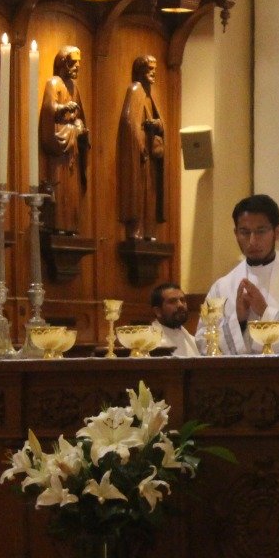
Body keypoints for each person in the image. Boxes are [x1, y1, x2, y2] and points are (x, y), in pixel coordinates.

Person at [197, 194, 279, 354]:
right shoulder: (221, 287)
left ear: (277, 232)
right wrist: (238, 321)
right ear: (235, 233)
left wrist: (267, 313)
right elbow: (202, 343)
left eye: (261, 231)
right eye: (244, 232)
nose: (252, 241)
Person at [38, 45, 90, 235]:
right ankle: (58, 224)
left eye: (79, 63)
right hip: (59, 142)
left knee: (71, 188)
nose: (77, 67)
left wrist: (80, 128)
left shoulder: (73, 86)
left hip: (72, 145)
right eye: (73, 63)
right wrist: (64, 108)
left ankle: (70, 225)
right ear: (63, 63)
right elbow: (48, 109)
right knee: (59, 187)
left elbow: (80, 116)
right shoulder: (54, 83)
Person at [118, 54, 167, 241]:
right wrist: (140, 145)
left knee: (151, 193)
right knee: (140, 192)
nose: (153, 73)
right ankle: (137, 228)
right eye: (149, 70)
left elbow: (162, 123)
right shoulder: (136, 90)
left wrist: (157, 125)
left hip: (151, 155)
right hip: (141, 154)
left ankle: (149, 229)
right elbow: (129, 122)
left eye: (155, 69)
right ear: (141, 71)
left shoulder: (150, 94)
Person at [150, 282, 200, 357]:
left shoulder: (193, 340)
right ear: (158, 311)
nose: (180, 305)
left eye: (182, 300)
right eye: (172, 301)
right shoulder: (150, 343)